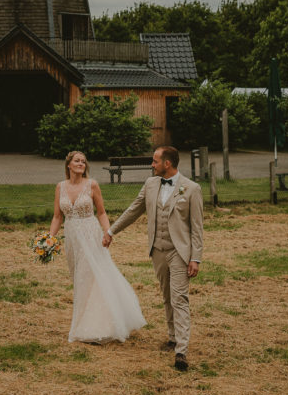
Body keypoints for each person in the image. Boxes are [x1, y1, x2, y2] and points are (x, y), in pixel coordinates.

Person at [103, 146, 203, 370]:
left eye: (155, 161)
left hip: (179, 252)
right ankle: (172, 337)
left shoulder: (192, 189)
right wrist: (111, 231)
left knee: (180, 298)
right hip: (157, 250)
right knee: (167, 296)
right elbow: (134, 210)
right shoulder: (150, 184)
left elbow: (197, 228)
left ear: (167, 163)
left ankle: (181, 352)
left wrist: (195, 258)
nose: (152, 164)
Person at [49, 150, 146, 344]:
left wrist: (108, 232)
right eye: (77, 161)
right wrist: (49, 239)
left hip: (90, 234)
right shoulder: (60, 187)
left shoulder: (92, 185)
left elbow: (101, 212)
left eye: (83, 161)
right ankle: (85, 318)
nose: (81, 164)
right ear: (68, 165)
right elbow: (57, 217)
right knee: (79, 277)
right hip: (72, 237)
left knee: (93, 276)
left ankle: (96, 326)